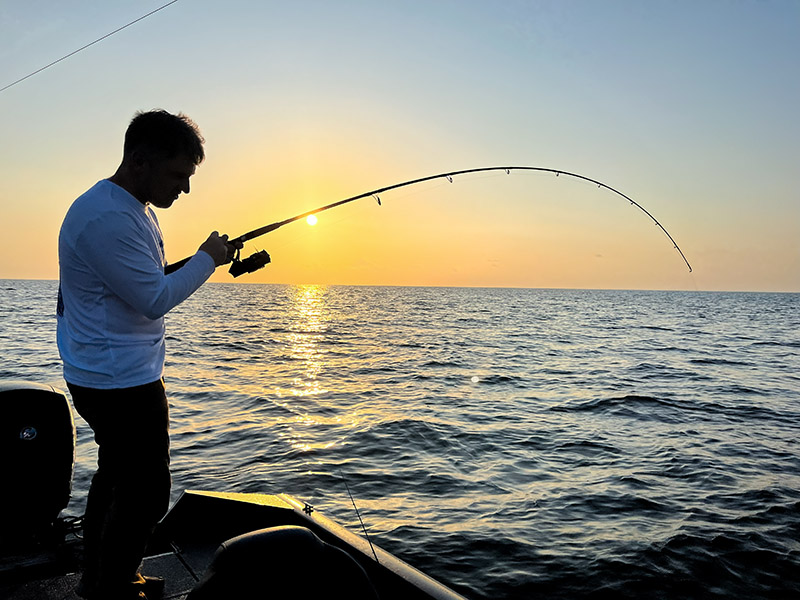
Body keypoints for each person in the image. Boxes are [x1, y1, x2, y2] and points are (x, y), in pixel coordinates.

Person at [56, 109, 240, 600]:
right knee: (146, 493)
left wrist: (201, 262)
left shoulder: (129, 208)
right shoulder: (106, 217)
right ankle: (113, 589)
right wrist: (207, 259)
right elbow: (154, 298)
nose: (184, 188)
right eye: (178, 174)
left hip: (114, 372)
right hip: (118, 381)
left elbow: (135, 282)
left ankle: (102, 580)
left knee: (116, 477)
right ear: (139, 161)